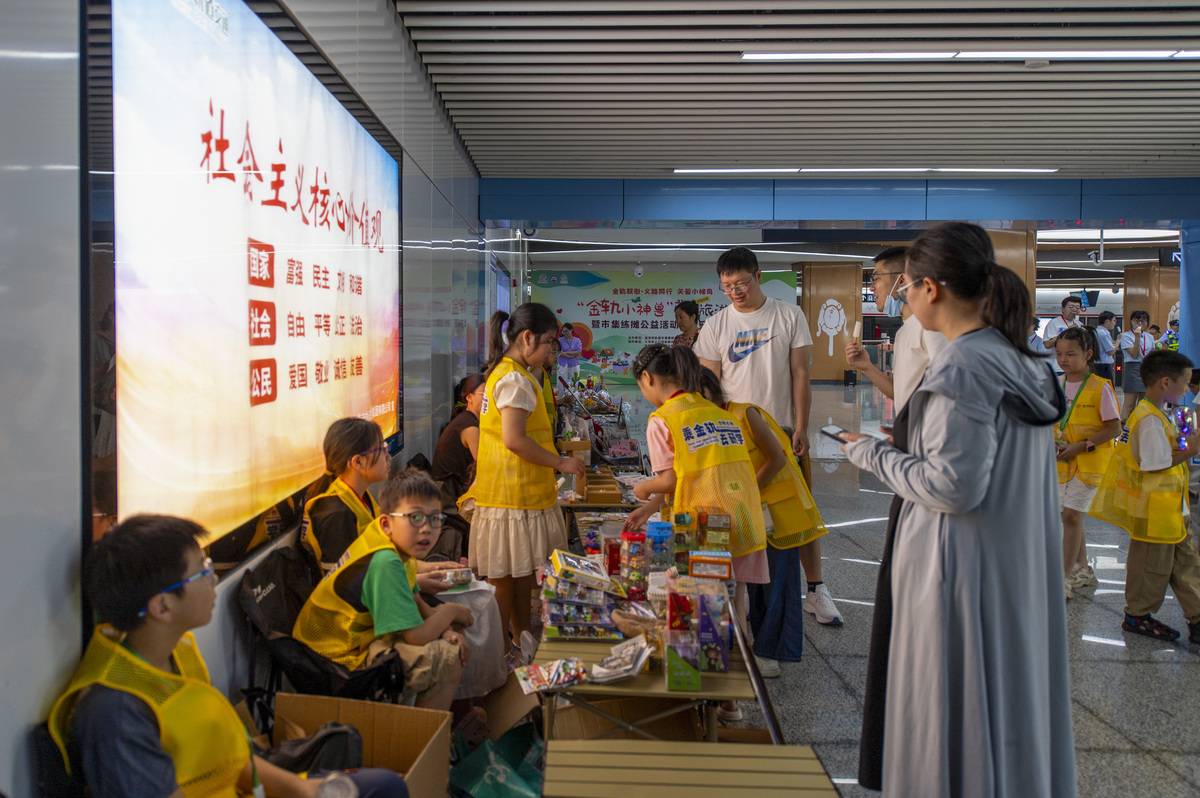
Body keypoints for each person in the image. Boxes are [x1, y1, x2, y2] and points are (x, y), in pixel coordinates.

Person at [843, 222, 1075, 796]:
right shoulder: (1024, 361)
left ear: (932, 289)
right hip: (1011, 563)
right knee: (1007, 696)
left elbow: (952, 487)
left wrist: (871, 454)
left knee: (950, 701)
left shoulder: (961, 367)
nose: (903, 296)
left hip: (958, 569)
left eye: (906, 287)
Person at [49, 514, 408, 798]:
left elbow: (226, 759)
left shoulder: (179, 652)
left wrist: (301, 789)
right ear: (161, 606)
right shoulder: (115, 713)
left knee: (386, 785)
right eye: (202, 572)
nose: (212, 579)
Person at [694, 246, 840, 678]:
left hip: (781, 432)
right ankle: (746, 622)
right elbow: (708, 386)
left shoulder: (787, 315)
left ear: (758, 276)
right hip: (736, 438)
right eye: (726, 287)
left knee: (798, 517)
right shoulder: (717, 324)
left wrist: (801, 426)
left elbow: (800, 373)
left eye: (741, 284)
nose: (735, 292)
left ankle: (815, 588)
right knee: (748, 526)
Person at [696, 365, 828, 706]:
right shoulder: (707, 424)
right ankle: (759, 645)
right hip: (750, 511)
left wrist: (747, 491)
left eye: (698, 398)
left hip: (778, 510)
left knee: (778, 582)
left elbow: (779, 459)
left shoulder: (745, 413)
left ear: (711, 391)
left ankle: (771, 653)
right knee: (753, 580)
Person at [461, 304, 584, 662]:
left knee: (514, 577)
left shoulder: (506, 372)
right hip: (513, 496)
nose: (550, 352)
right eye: (548, 343)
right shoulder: (514, 378)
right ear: (527, 338)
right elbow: (515, 439)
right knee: (504, 582)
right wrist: (561, 462)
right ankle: (497, 658)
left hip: (509, 494)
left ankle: (519, 643)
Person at [295, 471, 472, 709]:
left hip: (356, 640)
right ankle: (424, 738)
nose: (427, 529)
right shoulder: (385, 562)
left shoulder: (389, 542)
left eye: (435, 518)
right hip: (334, 661)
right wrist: (452, 611)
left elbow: (416, 601)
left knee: (451, 633)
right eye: (415, 517)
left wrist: (446, 629)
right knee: (448, 657)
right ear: (387, 523)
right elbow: (415, 637)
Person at [624, 344, 767, 600]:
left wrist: (642, 489)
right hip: (744, 517)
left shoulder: (662, 419)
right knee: (733, 600)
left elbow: (669, 479)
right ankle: (744, 640)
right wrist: (649, 509)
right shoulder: (718, 412)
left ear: (647, 377)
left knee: (702, 604)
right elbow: (696, 472)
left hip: (703, 524)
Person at [1090, 350, 1200, 643]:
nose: (1188, 388)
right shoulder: (1149, 419)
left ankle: (1197, 615)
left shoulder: (1160, 413)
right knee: (1151, 567)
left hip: (1172, 508)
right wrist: (1192, 448)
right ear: (1166, 382)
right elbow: (1155, 464)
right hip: (1154, 511)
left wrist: (1185, 437)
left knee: (1187, 564)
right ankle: (1137, 616)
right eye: (1185, 382)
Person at [1054, 326, 1121, 599]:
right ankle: (1081, 567)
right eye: (1059, 354)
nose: (1064, 360)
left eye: (1071, 354)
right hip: (1059, 462)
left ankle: (1063, 578)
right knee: (1067, 516)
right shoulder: (1055, 384)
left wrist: (1081, 446)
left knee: (1071, 516)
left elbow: (1114, 428)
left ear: (1088, 354)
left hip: (1089, 463)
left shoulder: (1100, 387)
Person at [846, 246, 947, 412]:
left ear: (901, 281)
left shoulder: (931, 327)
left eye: (876, 279)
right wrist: (867, 367)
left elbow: (948, 390)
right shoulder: (902, 332)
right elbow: (899, 393)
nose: (871, 288)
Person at [301, 418, 388, 574]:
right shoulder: (336, 514)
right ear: (358, 462)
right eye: (381, 450)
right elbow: (344, 584)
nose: (387, 456)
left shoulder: (359, 496)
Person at [1120, 310, 1155, 422]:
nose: (1140, 323)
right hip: (1132, 368)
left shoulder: (1150, 337)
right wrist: (1137, 337)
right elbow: (1134, 355)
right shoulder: (1126, 336)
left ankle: (1139, 428)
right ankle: (1121, 431)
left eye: (1143, 321)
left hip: (1146, 369)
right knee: (1129, 404)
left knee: (1143, 403)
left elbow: (1150, 355)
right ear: (1131, 321)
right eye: (1137, 320)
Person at [1042, 295, 1084, 374]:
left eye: (1077, 308)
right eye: (1071, 307)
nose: (1074, 310)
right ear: (1062, 309)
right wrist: (1067, 332)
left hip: (1074, 367)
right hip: (1056, 367)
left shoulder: (1079, 324)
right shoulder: (1054, 323)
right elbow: (1047, 344)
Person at [1093, 310, 1119, 381]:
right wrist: (1118, 341)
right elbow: (1110, 351)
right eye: (1114, 321)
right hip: (1103, 366)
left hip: (1097, 364)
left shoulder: (1096, 331)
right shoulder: (1104, 333)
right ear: (1107, 321)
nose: (1115, 323)